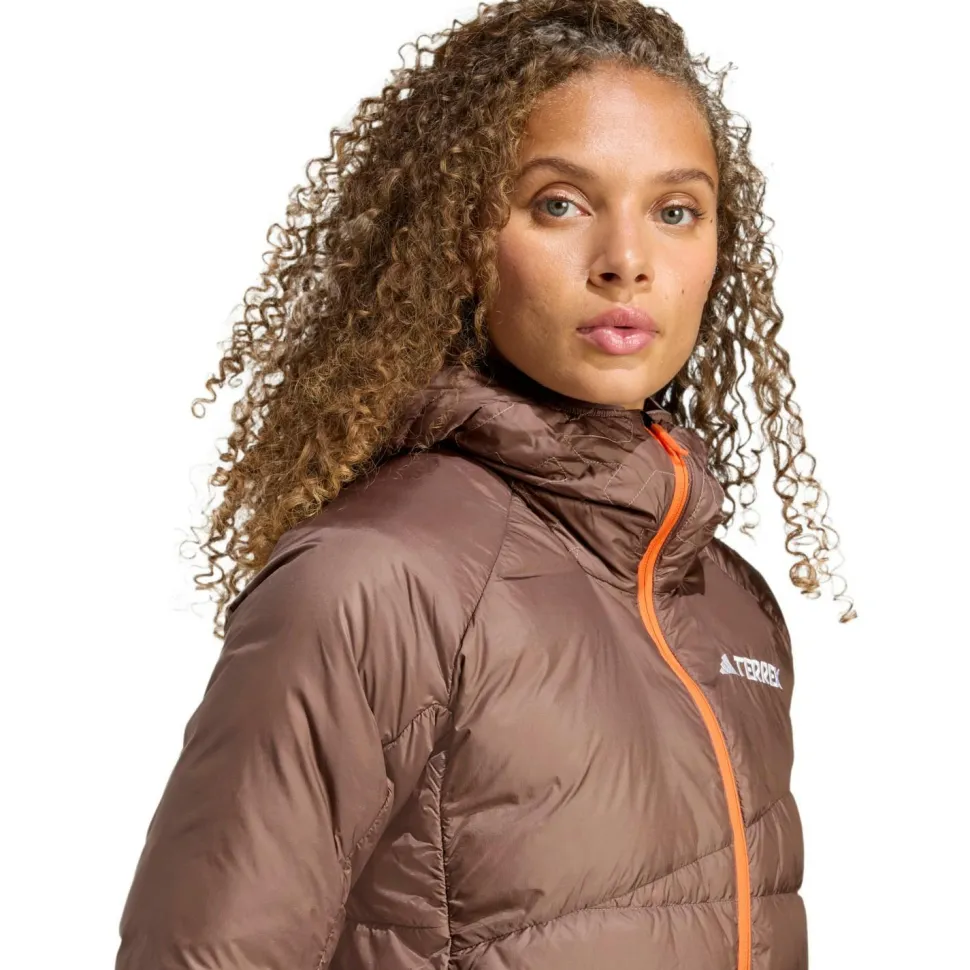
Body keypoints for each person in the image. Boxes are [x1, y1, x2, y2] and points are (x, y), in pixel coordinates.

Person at [115, 2, 856, 968]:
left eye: (676, 212)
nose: (627, 262)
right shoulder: (373, 582)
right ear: (459, 235)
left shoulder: (732, 606)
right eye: (560, 204)